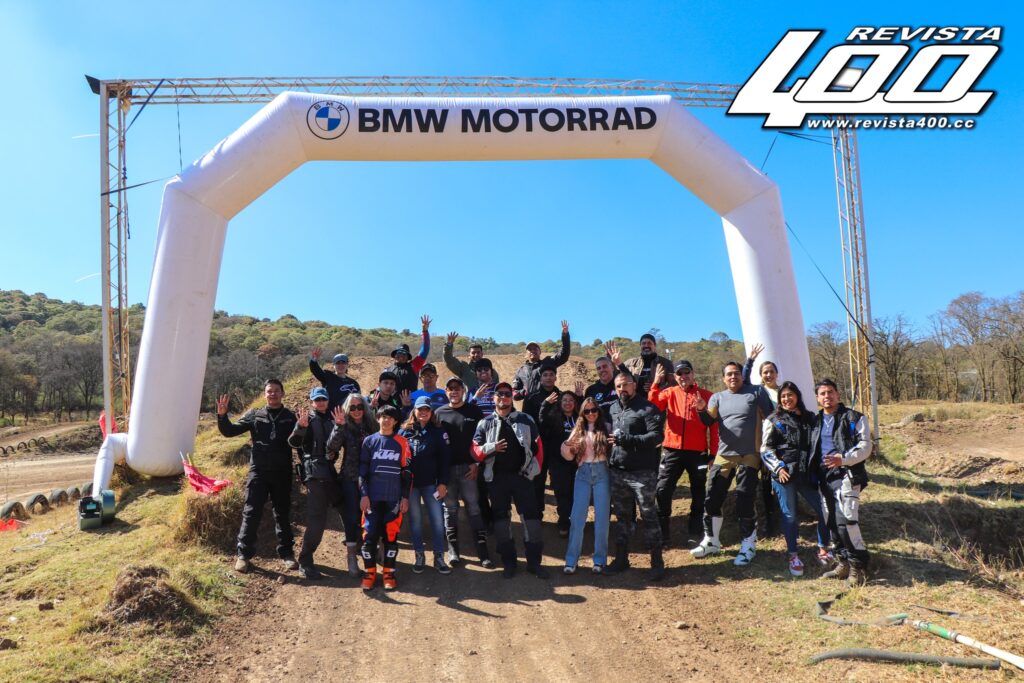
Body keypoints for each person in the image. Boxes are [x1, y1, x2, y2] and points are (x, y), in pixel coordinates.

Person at [692, 362, 774, 566]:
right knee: (712, 496)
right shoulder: (717, 397)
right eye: (729, 374)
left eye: (736, 373)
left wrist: (770, 450)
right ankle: (711, 541)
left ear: (742, 376)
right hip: (724, 454)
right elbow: (708, 421)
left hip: (749, 454)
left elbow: (771, 417)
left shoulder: (756, 392)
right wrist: (701, 409)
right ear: (723, 378)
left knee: (745, 498)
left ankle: (748, 544)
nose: (733, 377)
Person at [216, 380, 298, 573]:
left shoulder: (290, 417)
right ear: (264, 394)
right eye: (269, 391)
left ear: (283, 393)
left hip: (282, 473)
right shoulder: (254, 415)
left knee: (282, 513)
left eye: (276, 391)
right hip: (258, 472)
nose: (273, 394)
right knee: (251, 512)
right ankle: (243, 555)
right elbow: (230, 431)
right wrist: (222, 416)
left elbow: (300, 443)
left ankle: (287, 554)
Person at [472, 382, 548, 579]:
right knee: (501, 521)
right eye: (499, 394)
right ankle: (509, 562)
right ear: (493, 398)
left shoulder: (526, 419)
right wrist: (491, 447)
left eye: (507, 394)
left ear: (511, 397)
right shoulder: (485, 423)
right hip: (497, 479)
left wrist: (532, 472)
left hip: (522, 477)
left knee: (531, 520)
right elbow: (475, 450)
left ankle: (534, 563)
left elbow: (539, 448)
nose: (503, 397)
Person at [760, 381, 830, 577]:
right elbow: (765, 449)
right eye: (783, 396)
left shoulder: (810, 418)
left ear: (797, 396)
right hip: (784, 474)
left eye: (790, 395)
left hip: (807, 473)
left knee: (824, 510)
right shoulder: (773, 420)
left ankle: (824, 548)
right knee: (790, 515)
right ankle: (793, 555)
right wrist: (778, 468)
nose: (787, 399)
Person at [648, 360, 718, 545]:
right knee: (663, 489)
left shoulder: (707, 395)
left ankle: (695, 531)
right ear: (675, 377)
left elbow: (714, 427)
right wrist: (656, 383)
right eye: (679, 373)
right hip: (672, 450)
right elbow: (653, 405)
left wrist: (713, 453)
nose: (684, 376)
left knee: (699, 491)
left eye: (687, 372)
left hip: (697, 452)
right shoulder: (670, 392)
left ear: (693, 374)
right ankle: (663, 533)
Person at [810, 378, 872, 587]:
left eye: (830, 392)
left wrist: (843, 459)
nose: (827, 396)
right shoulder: (815, 421)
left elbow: (866, 446)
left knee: (847, 522)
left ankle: (858, 568)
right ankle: (843, 562)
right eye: (822, 393)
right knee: (832, 523)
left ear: (837, 394)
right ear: (817, 398)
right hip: (824, 478)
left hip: (847, 475)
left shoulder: (854, 417)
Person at [606, 372, 666, 581]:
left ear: (633, 385)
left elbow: (657, 437)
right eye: (618, 386)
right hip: (618, 471)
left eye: (625, 385)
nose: (622, 389)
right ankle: (621, 559)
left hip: (642, 473)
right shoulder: (613, 408)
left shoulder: (647, 408)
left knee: (649, 516)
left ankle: (657, 563)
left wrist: (629, 440)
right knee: (622, 518)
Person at [435, 377, 493, 568]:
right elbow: (436, 443)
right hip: (447, 470)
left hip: (469, 468)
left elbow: (483, 438)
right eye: (450, 388)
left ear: (463, 391)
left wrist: (476, 462)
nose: (454, 391)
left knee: (474, 508)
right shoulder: (439, 413)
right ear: (446, 392)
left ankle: (483, 552)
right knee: (449, 509)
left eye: (457, 388)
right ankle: (453, 551)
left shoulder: (474, 411)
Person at [288, 387, 341, 580]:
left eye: (323, 399)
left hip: (329, 472)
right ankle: (305, 561)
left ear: (327, 401)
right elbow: (293, 442)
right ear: (311, 402)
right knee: (317, 518)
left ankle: (360, 550)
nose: (320, 402)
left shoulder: (330, 419)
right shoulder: (307, 420)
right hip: (314, 473)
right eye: (317, 400)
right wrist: (300, 427)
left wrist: (334, 452)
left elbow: (335, 447)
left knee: (347, 507)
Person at [358, 405, 412, 591]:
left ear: (395, 421)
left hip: (393, 498)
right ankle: (369, 574)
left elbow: (407, 472)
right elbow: (362, 472)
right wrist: (364, 495)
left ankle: (389, 574)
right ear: (378, 418)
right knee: (369, 536)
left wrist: (405, 498)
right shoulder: (369, 441)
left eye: (390, 417)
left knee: (391, 536)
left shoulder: (402, 442)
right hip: (372, 498)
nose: (386, 420)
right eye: (383, 416)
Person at [326, 393, 378, 578]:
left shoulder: (372, 424)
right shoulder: (345, 425)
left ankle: (372, 549)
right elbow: (331, 447)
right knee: (352, 516)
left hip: (372, 477)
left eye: (360, 407)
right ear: (348, 409)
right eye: (353, 407)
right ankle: (351, 557)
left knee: (372, 514)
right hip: (350, 476)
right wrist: (338, 426)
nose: (356, 410)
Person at [400, 396, 453, 575]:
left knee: (437, 520)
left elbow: (445, 460)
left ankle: (439, 557)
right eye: (420, 409)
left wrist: (443, 483)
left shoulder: (438, 431)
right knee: (415, 521)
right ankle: (419, 555)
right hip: (411, 486)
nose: (423, 412)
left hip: (432, 484)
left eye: (427, 409)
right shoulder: (405, 432)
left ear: (431, 412)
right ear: (414, 411)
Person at [561, 396, 611, 574]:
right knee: (577, 518)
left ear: (598, 411)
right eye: (587, 411)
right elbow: (567, 454)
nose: (591, 414)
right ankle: (571, 560)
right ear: (583, 413)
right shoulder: (578, 429)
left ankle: (600, 560)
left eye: (594, 410)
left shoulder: (607, 428)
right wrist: (569, 446)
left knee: (602, 519)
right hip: (583, 473)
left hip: (602, 472)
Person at [743, 343, 781, 538]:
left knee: (781, 481)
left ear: (777, 374)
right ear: (761, 375)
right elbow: (743, 380)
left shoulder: (784, 390)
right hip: (763, 441)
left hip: (782, 441)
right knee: (765, 484)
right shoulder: (758, 391)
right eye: (765, 372)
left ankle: (783, 518)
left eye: (771, 371)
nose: (768, 375)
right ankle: (768, 523)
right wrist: (750, 361)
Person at [538, 383, 582, 537]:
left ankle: (576, 521)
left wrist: (580, 397)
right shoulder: (554, 418)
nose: (568, 403)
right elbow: (542, 422)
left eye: (571, 400)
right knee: (562, 493)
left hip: (577, 463)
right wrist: (545, 404)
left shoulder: (580, 419)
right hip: (558, 463)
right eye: (565, 400)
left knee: (576, 493)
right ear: (560, 403)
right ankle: (564, 521)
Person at [512, 320, 571, 400]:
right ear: (526, 354)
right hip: (529, 405)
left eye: (535, 349)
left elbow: (564, 355)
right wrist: (524, 392)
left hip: (549, 403)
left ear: (540, 352)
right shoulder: (520, 371)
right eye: (530, 349)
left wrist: (565, 335)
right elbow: (514, 393)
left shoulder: (548, 362)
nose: (533, 351)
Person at [385, 314, 433, 394]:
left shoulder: (414, 365)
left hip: (411, 400)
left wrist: (425, 331)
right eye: (399, 353)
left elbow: (425, 350)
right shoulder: (388, 370)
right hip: (393, 401)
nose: (401, 356)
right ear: (395, 355)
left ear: (408, 357)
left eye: (404, 354)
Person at [585, 342, 629, 421]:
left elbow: (631, 380)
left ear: (612, 367)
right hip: (601, 427)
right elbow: (585, 412)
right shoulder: (591, 390)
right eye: (599, 368)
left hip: (622, 425)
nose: (602, 370)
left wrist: (619, 363)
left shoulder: (621, 385)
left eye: (604, 366)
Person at [308, 348, 361, 412]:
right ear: (333, 365)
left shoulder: (353, 383)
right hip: (334, 414)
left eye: (343, 363)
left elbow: (359, 400)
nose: (341, 365)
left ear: (347, 365)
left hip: (351, 414)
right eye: (338, 363)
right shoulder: (328, 377)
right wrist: (314, 360)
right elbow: (316, 370)